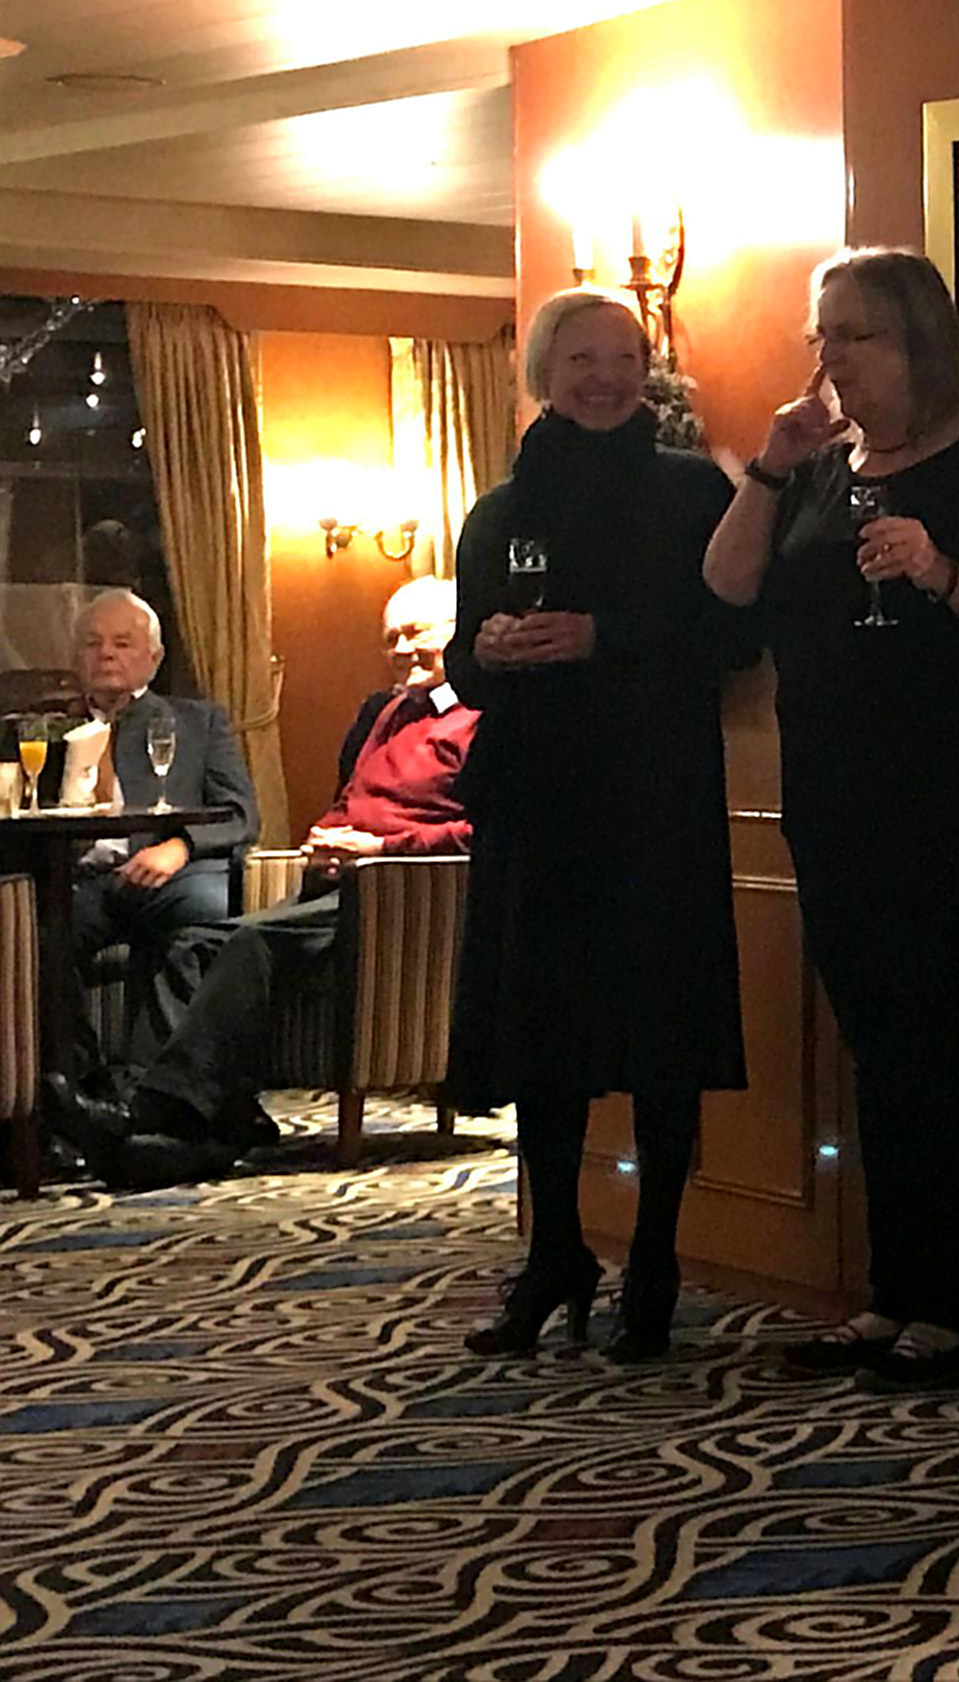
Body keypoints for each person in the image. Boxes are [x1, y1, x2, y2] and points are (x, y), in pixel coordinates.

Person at [704, 248, 959, 1392]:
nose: (833, 358)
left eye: (854, 334)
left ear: (917, 340)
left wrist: (938, 569)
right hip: (835, 796)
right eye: (823, 336)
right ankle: (892, 1290)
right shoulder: (820, 467)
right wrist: (770, 467)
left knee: (952, 1042)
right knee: (878, 1048)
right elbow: (727, 584)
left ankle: (955, 1308)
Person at [446, 287, 755, 1362]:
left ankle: (656, 1257)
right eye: (581, 359)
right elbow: (462, 665)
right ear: (543, 374)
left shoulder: (691, 491)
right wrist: (488, 651)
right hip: (536, 801)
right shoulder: (498, 511)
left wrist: (600, 639)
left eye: (623, 356)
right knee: (543, 1037)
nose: (606, 377)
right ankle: (556, 1253)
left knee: (662, 1034)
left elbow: (730, 638)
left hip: (654, 798)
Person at [43, 575, 475, 1188]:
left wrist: (380, 848)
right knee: (197, 943)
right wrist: (328, 837)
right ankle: (189, 1126)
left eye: (417, 634)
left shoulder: (481, 719)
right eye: (391, 638)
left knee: (246, 941)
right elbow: (350, 802)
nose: (402, 649)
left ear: (460, 635)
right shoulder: (383, 713)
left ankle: (141, 1112)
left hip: (400, 890)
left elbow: (485, 831)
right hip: (335, 880)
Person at [38, 587, 259, 1088]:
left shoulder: (198, 722)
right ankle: (79, 1085)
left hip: (171, 876)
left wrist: (179, 847)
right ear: (76, 658)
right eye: (93, 644)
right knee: (36, 938)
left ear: (154, 659)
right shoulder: (44, 728)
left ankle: (144, 1088)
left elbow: (242, 812)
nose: (106, 654)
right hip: (80, 880)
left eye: (122, 643)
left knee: (203, 913)